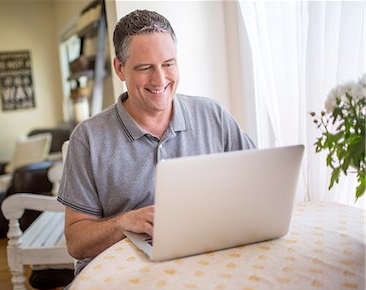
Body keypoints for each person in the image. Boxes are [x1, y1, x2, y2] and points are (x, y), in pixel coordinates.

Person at [57, 9, 255, 275]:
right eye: (145, 67)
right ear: (120, 69)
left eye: (168, 64)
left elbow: (256, 186)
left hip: (206, 263)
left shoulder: (214, 115)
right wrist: (125, 223)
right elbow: (76, 243)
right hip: (122, 276)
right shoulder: (88, 138)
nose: (160, 80)